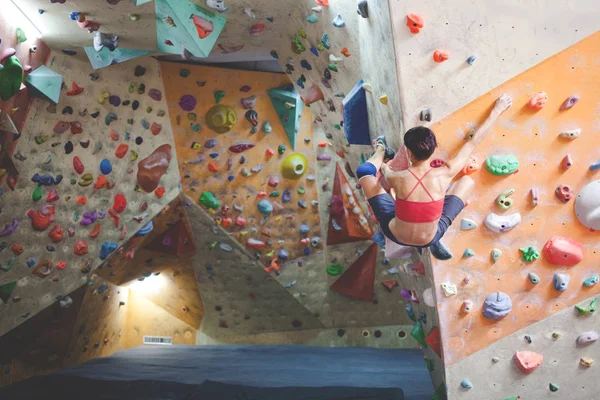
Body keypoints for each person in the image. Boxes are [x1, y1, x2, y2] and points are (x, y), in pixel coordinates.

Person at [356, 94, 513, 260]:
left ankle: (380, 149)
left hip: (395, 234)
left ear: (408, 153)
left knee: (364, 173)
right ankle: (432, 241)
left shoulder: (396, 178)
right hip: (429, 238)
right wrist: (498, 109)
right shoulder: (447, 172)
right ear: (434, 148)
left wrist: (384, 164)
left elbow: (384, 171)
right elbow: (474, 141)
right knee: (467, 181)